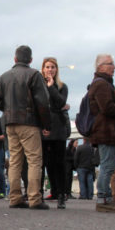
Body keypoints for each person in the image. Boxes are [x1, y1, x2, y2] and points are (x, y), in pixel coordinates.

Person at [0, 45, 51, 209]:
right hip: (29, 122)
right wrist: (46, 124)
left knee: (14, 161)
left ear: (15, 59)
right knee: (34, 160)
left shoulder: (4, 76)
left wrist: (8, 109)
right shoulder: (34, 75)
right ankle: (34, 198)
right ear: (31, 60)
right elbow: (43, 102)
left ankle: (15, 197)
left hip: (10, 123)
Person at [87, 54, 115, 213]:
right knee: (107, 165)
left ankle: (104, 197)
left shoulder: (100, 83)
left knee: (108, 165)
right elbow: (107, 107)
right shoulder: (102, 85)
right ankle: (103, 199)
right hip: (105, 131)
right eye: (111, 64)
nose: (114, 67)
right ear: (101, 67)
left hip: (104, 131)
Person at [40, 57, 70, 208]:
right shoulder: (38, 85)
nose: (50, 69)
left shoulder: (62, 87)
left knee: (59, 162)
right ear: (43, 69)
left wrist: (51, 87)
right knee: (42, 162)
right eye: (47, 67)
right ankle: (38, 195)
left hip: (58, 128)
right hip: (43, 127)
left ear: (56, 69)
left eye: (52, 67)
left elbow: (60, 103)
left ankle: (61, 195)